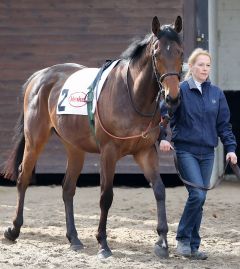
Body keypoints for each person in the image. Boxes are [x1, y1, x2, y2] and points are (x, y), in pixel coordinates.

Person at [159, 48, 237, 260]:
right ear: (191, 67)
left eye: (207, 65)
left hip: (208, 153)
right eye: (200, 65)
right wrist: (164, 138)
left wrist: (230, 149)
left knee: (199, 200)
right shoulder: (180, 90)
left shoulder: (217, 94)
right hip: (186, 150)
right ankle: (183, 239)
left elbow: (224, 125)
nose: (204, 69)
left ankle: (193, 246)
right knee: (198, 195)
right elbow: (165, 115)